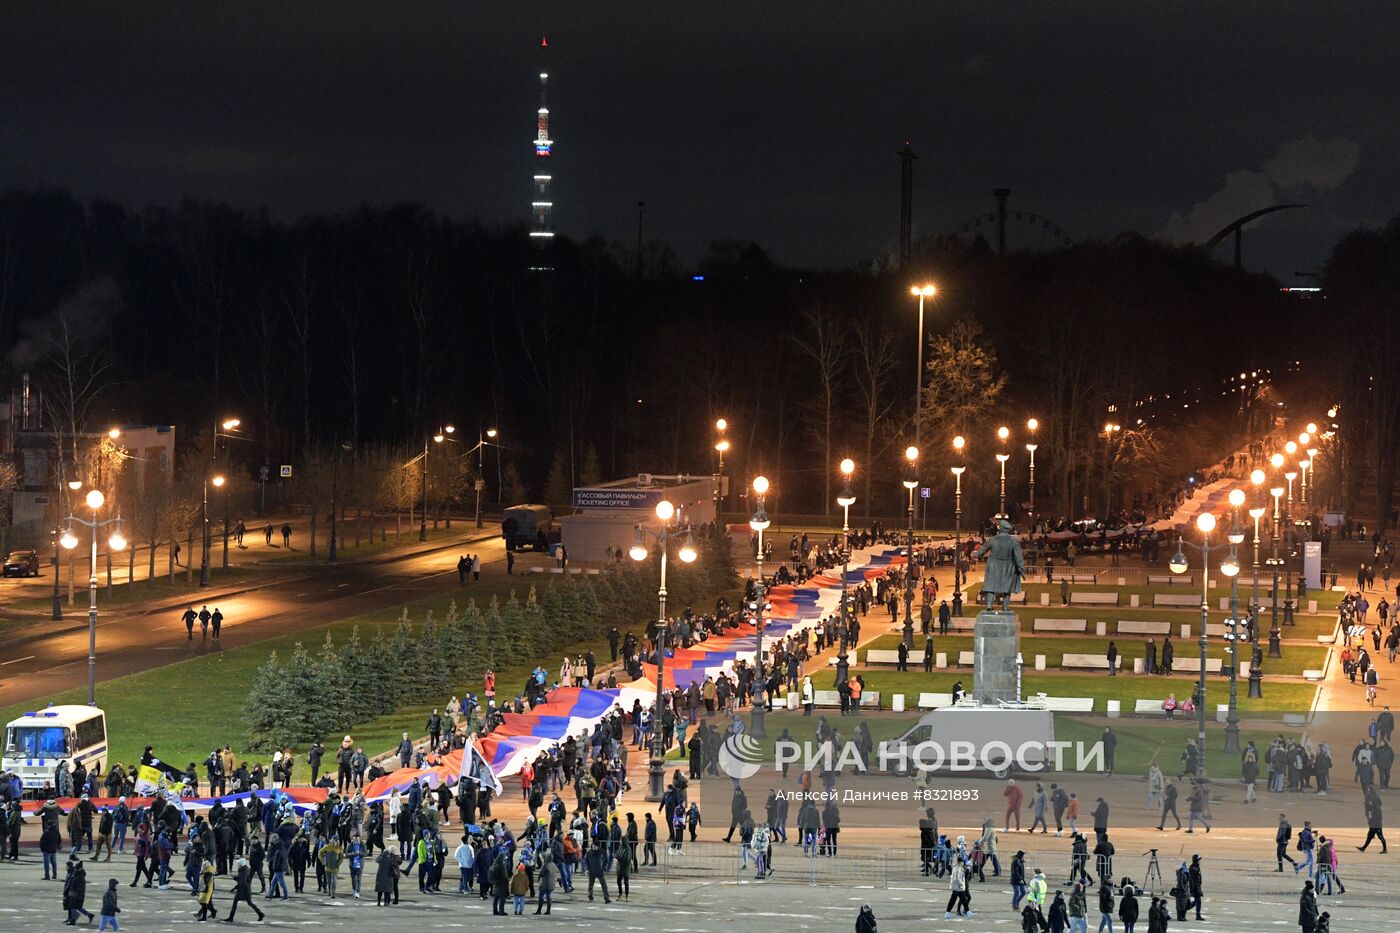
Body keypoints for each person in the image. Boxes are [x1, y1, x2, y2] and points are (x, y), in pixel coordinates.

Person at [64, 856, 95, 925]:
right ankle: (89, 915)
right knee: (78, 907)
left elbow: (75, 886)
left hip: (75, 894)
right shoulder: (79, 875)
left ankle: (73, 921)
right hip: (78, 894)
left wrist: (70, 893)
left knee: (72, 907)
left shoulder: (78, 876)